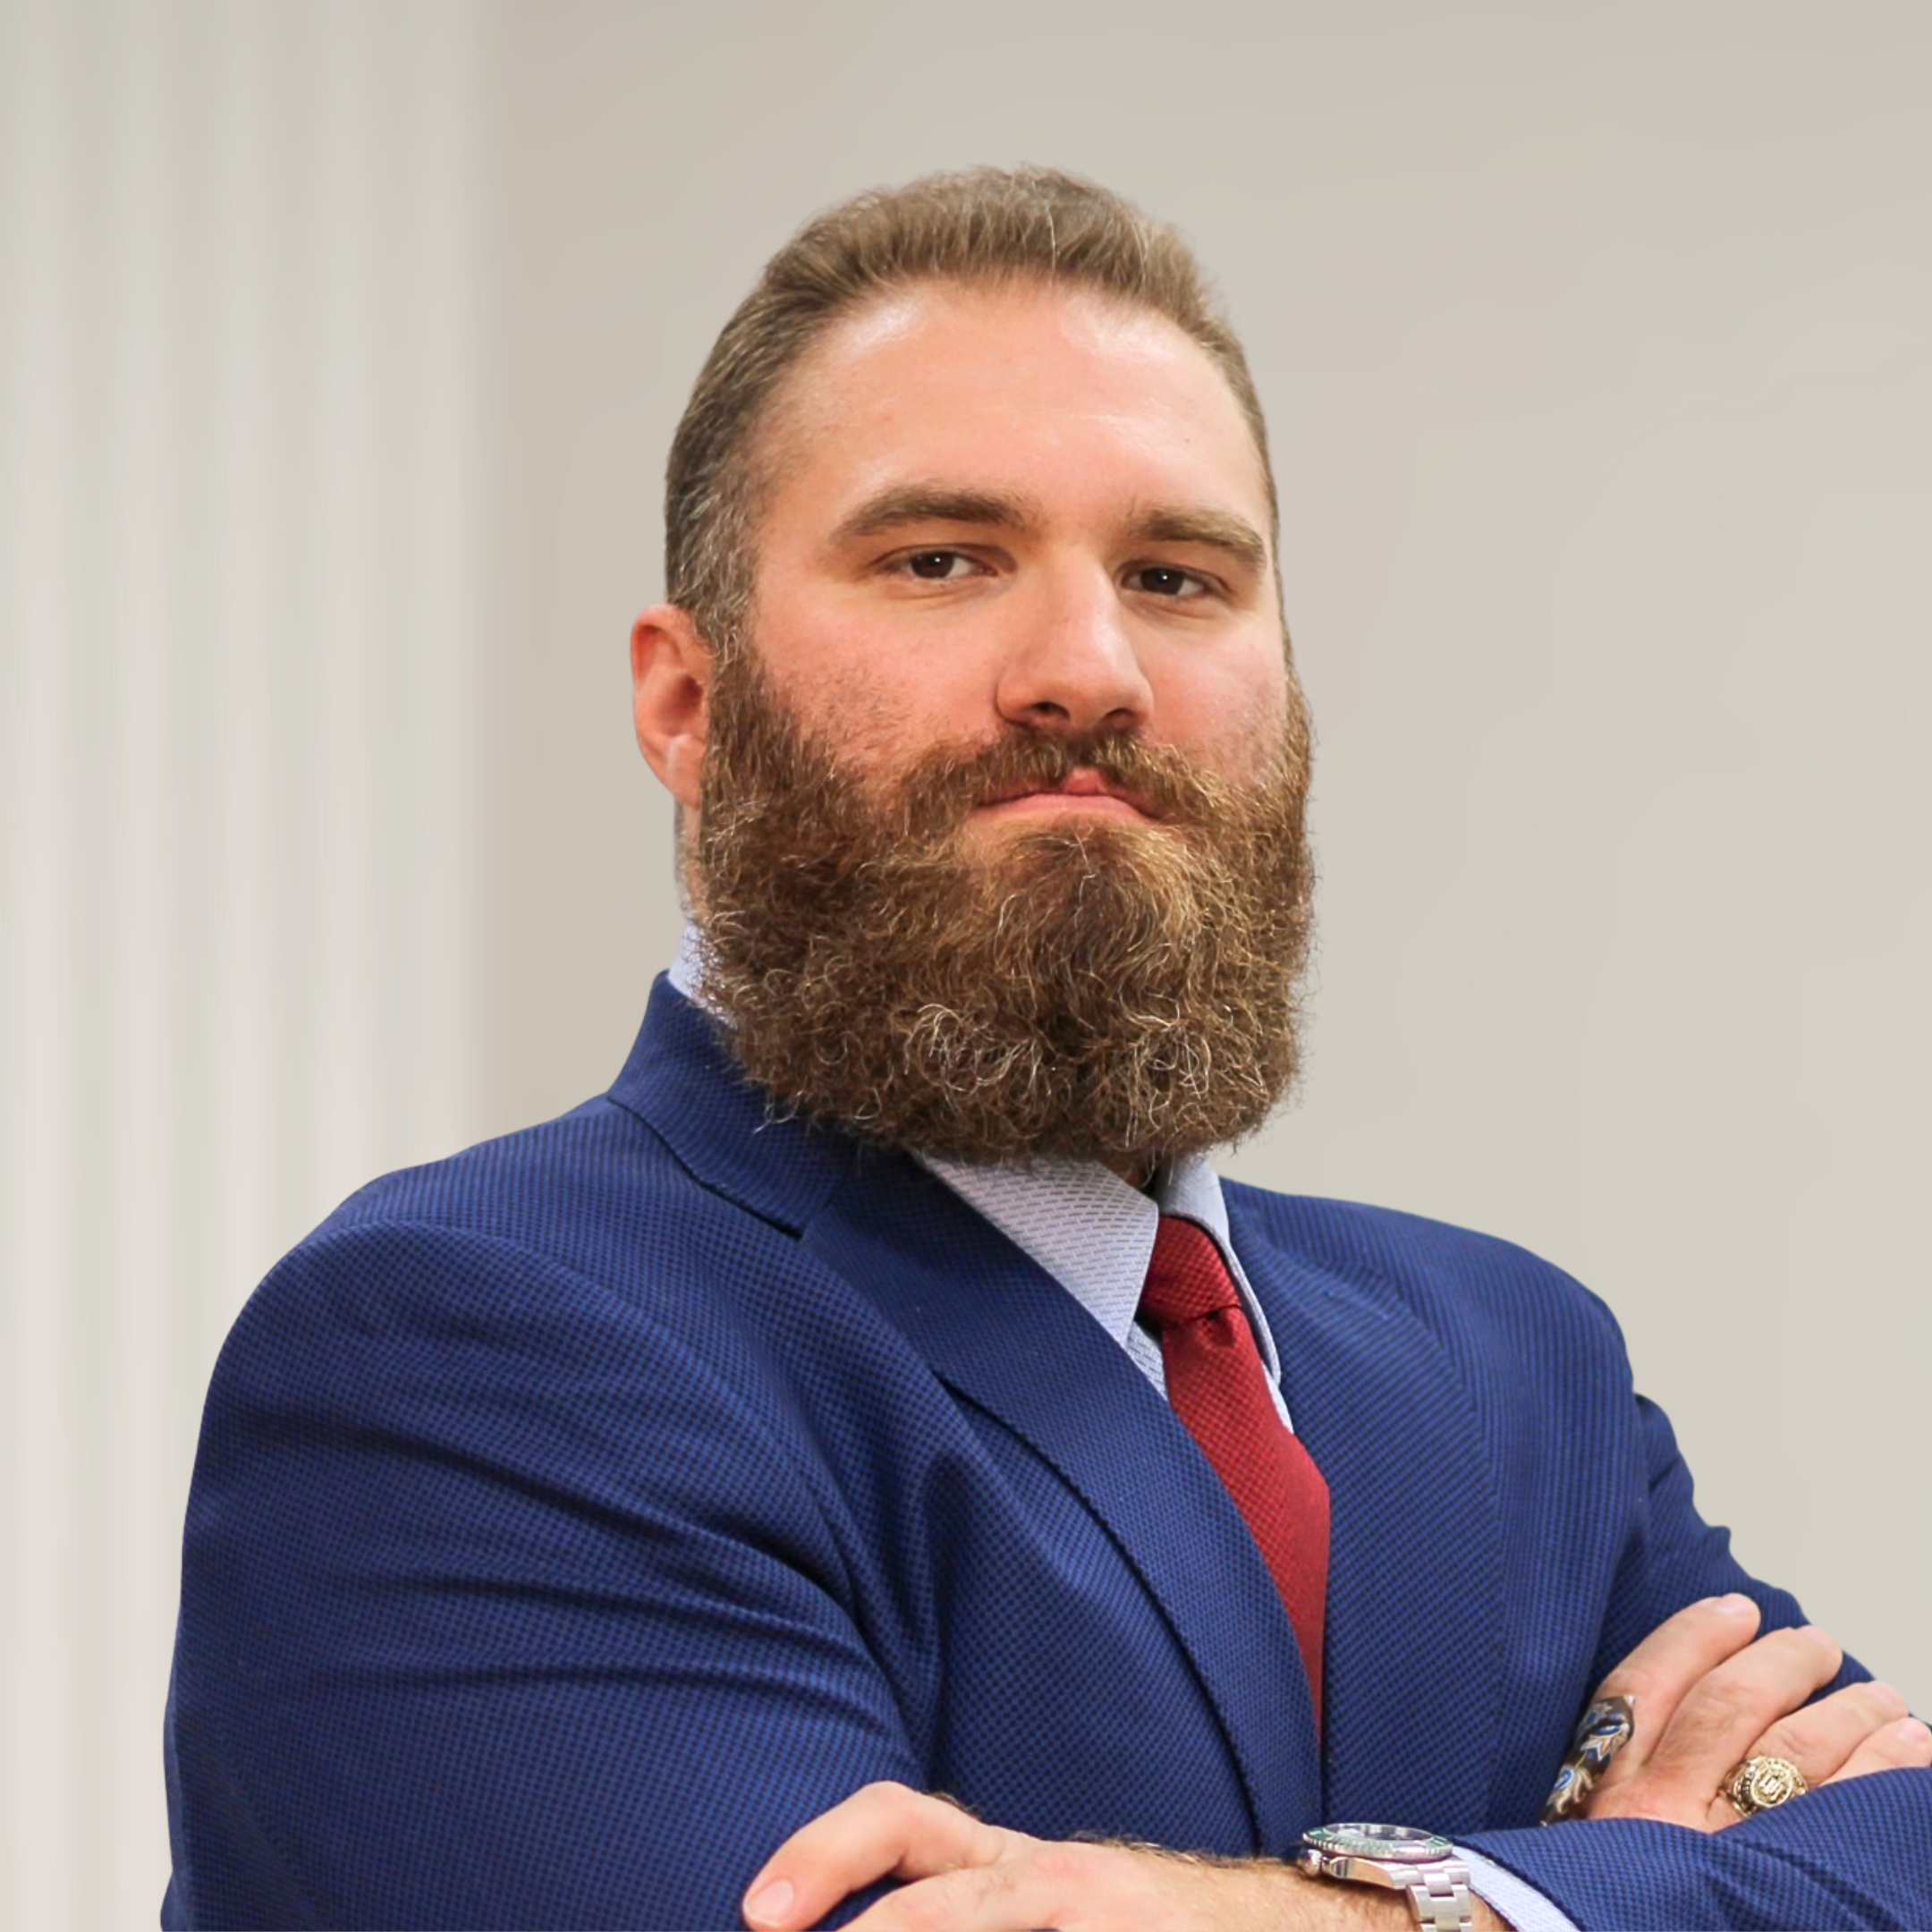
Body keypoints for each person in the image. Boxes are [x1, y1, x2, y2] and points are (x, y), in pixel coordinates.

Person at [162, 167, 1931, 1932]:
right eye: (943, 559)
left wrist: (1355, 1916)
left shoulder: (1515, 1371)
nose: (1087, 669)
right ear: (686, 703)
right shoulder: (479, 1350)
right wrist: (1640, 1881)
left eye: (1178, 575)